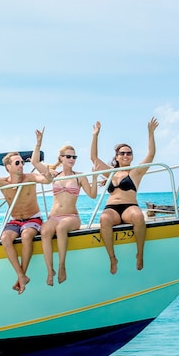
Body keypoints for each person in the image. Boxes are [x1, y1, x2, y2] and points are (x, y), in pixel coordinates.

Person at [0, 137, 49, 294]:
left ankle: (22, 276)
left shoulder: (30, 177)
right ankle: (21, 276)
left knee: (27, 235)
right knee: (5, 238)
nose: (21, 165)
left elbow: (45, 180)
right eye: (17, 163)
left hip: (32, 218)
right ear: (8, 167)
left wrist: (48, 175)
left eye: (22, 162)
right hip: (15, 220)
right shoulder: (2, 181)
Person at [89, 117, 159, 274]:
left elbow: (151, 154)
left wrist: (151, 133)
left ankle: (139, 253)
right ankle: (112, 258)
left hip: (129, 207)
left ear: (132, 156)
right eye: (122, 153)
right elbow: (93, 158)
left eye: (129, 153)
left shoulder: (136, 172)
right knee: (104, 219)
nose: (126, 156)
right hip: (112, 208)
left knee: (138, 217)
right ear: (117, 156)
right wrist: (95, 135)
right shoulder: (110, 172)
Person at [31, 132, 98, 285]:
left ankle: (62, 266)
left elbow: (93, 195)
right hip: (54, 216)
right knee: (45, 231)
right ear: (61, 158)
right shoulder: (54, 174)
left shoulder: (79, 176)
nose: (72, 160)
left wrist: (94, 177)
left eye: (74, 157)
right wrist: (39, 142)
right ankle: (50, 270)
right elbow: (35, 162)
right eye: (68, 156)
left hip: (71, 217)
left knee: (61, 228)